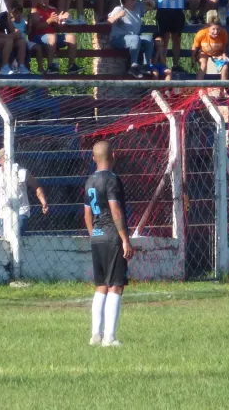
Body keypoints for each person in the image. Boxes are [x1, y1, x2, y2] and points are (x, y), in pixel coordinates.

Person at [84, 141, 133, 347]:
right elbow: (115, 210)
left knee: (101, 286)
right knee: (116, 286)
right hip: (112, 236)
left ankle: (95, 335)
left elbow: (86, 213)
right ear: (113, 156)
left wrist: (94, 234)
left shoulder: (89, 181)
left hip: (96, 236)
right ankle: (109, 338)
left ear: (93, 158)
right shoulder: (112, 180)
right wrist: (124, 239)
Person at [0, 148, 49, 239]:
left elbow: (36, 187)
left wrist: (43, 202)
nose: (8, 160)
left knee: (15, 236)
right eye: (5, 158)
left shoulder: (22, 172)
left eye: (9, 157)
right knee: (5, 238)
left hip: (21, 211)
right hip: (3, 214)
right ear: (0, 160)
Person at [30, 0, 81, 75]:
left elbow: (57, 28)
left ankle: (72, 66)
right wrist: (50, 20)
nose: (45, 0)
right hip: (37, 37)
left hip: (51, 38)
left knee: (71, 37)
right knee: (52, 37)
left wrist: (60, 22)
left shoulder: (52, 10)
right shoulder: (34, 10)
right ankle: (50, 67)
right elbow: (37, 27)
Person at [108, 0, 155, 78]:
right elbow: (110, 21)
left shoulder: (138, 7)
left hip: (134, 38)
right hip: (118, 38)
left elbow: (152, 6)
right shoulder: (119, 9)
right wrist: (118, 15)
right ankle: (133, 66)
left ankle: (146, 65)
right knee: (135, 38)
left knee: (148, 38)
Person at [192, 11, 229, 80]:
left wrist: (224, 55)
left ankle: (223, 89)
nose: (216, 32)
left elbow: (224, 46)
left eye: (218, 29)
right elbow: (195, 47)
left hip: (218, 53)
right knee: (203, 65)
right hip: (204, 51)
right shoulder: (201, 33)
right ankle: (200, 88)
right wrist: (193, 58)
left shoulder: (223, 33)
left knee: (225, 67)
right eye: (213, 29)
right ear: (208, 28)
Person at [9, 4, 42, 71]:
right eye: (15, 13)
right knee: (21, 45)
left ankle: (40, 67)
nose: (17, 15)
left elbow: (27, 32)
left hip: (25, 40)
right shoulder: (10, 22)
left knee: (38, 47)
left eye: (19, 12)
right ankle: (19, 65)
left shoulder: (23, 21)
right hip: (16, 41)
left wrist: (29, 25)